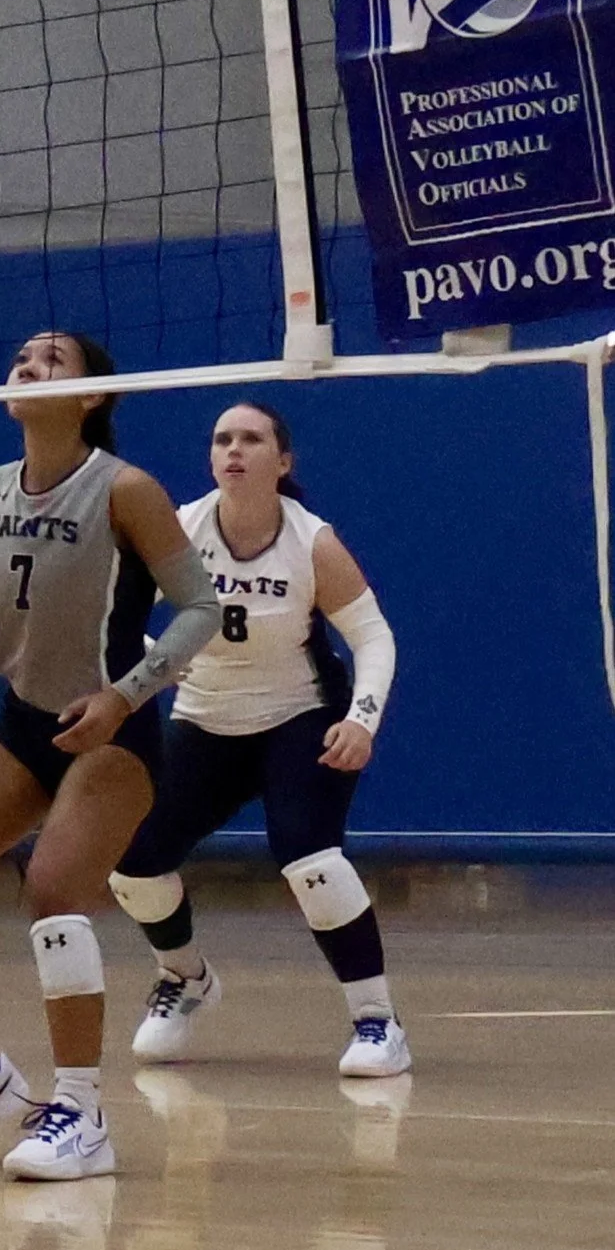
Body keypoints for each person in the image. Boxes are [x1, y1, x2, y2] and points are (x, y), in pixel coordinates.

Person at [0, 332, 220, 1181]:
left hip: (112, 734)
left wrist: (123, 696)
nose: (27, 367)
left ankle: (81, 1113)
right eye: (21, 359)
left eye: (51, 362)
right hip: (24, 726)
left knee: (55, 889)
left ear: (94, 394)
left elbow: (199, 610)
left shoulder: (125, 489)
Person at [110, 402, 407, 1077]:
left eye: (250, 438)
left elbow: (372, 635)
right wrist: (158, 663)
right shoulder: (178, 529)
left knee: (307, 854)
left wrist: (361, 718)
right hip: (204, 715)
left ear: (282, 461)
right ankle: (183, 976)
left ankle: (376, 1021)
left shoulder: (311, 540)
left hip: (299, 713)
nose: (233, 449)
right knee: (131, 860)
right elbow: (113, 621)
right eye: (221, 438)